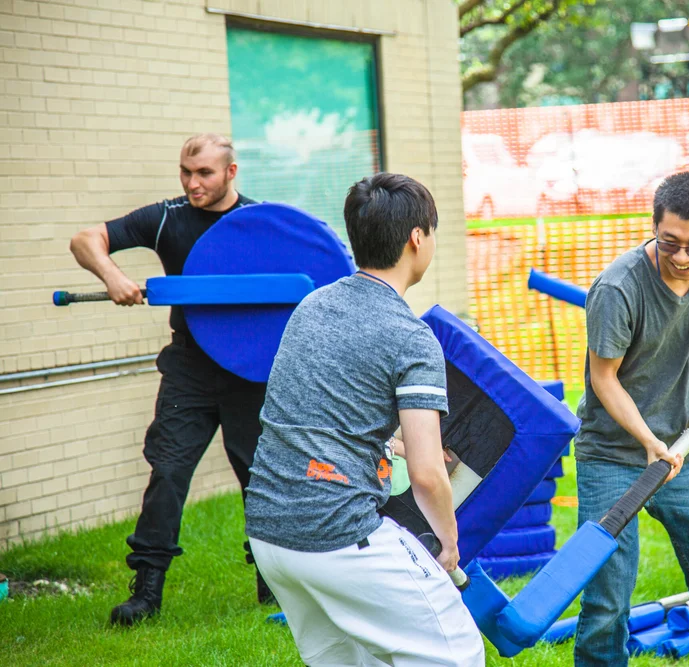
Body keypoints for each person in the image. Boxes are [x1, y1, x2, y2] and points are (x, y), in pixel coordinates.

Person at [243, 173, 485, 667]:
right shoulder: (411, 337)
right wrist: (450, 543)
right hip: (336, 533)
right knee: (457, 652)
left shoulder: (312, 306)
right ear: (418, 238)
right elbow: (426, 473)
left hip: (268, 533)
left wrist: (382, 446)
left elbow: (317, 412)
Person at [69, 133, 271, 626]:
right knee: (169, 472)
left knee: (262, 480)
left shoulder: (260, 221)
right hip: (189, 372)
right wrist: (112, 276)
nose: (192, 182)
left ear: (231, 173)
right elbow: (85, 240)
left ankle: (276, 583)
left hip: (249, 372)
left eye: (204, 173)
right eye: (185, 171)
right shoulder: (166, 218)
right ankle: (147, 592)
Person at [574, 171, 689, 667]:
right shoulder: (617, 287)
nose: (680, 257)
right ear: (653, 225)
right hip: (612, 455)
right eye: (668, 241)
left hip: (681, 448)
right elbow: (604, 379)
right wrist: (650, 441)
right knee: (608, 597)